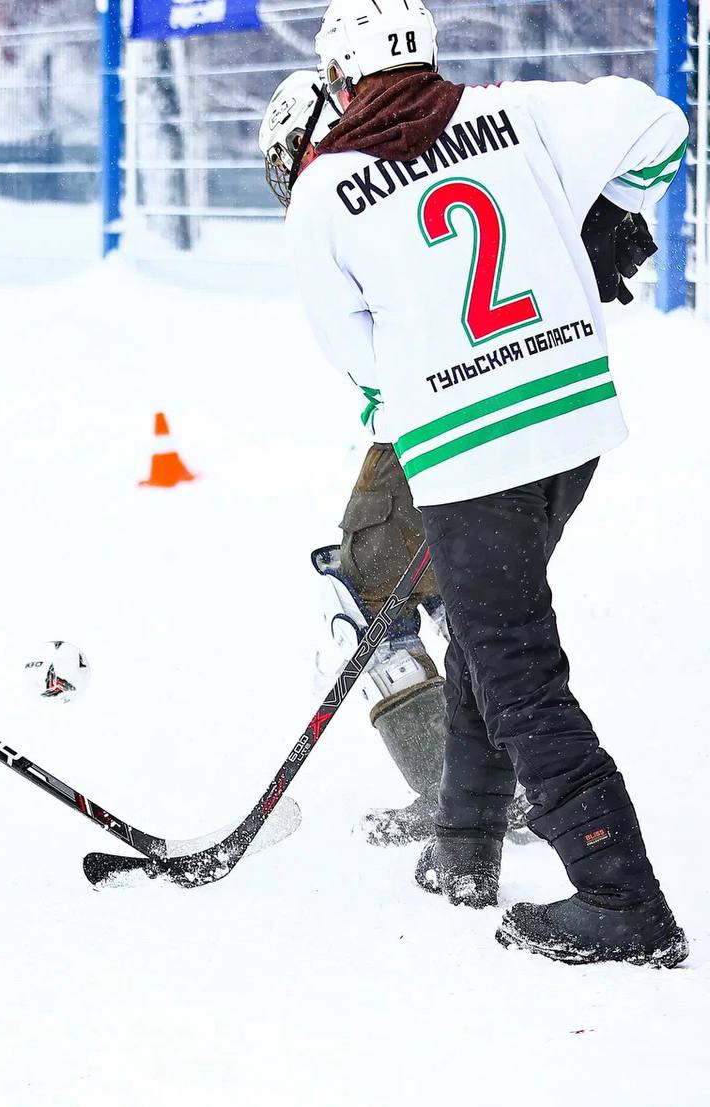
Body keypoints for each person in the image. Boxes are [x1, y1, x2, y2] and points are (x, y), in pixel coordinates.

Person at [281, 0, 689, 967]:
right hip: (574, 422)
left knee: (516, 668)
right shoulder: (514, 111)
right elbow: (661, 130)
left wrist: (428, 393)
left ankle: (620, 893)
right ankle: (465, 846)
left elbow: (360, 357)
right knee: (480, 621)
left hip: (471, 454)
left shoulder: (325, 187)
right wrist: (605, 213)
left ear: (341, 79)